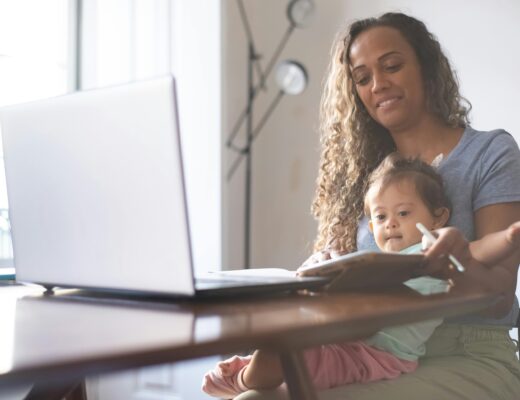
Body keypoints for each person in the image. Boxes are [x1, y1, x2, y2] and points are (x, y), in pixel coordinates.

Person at [232, 11, 520, 400]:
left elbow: (500, 297)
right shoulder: (363, 179)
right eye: (362, 77)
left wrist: (459, 265)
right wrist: (323, 270)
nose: (378, 85)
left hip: (469, 353)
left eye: (393, 66)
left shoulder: (489, 153)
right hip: (369, 354)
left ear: (426, 67)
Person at [202, 153, 453, 399]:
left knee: (282, 349)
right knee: (282, 343)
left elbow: (394, 308)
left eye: (403, 213)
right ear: (372, 227)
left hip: (378, 357)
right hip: (353, 341)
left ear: (438, 218)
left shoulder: (428, 256)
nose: (391, 224)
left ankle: (240, 380)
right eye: (380, 216)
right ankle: (249, 369)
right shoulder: (378, 260)